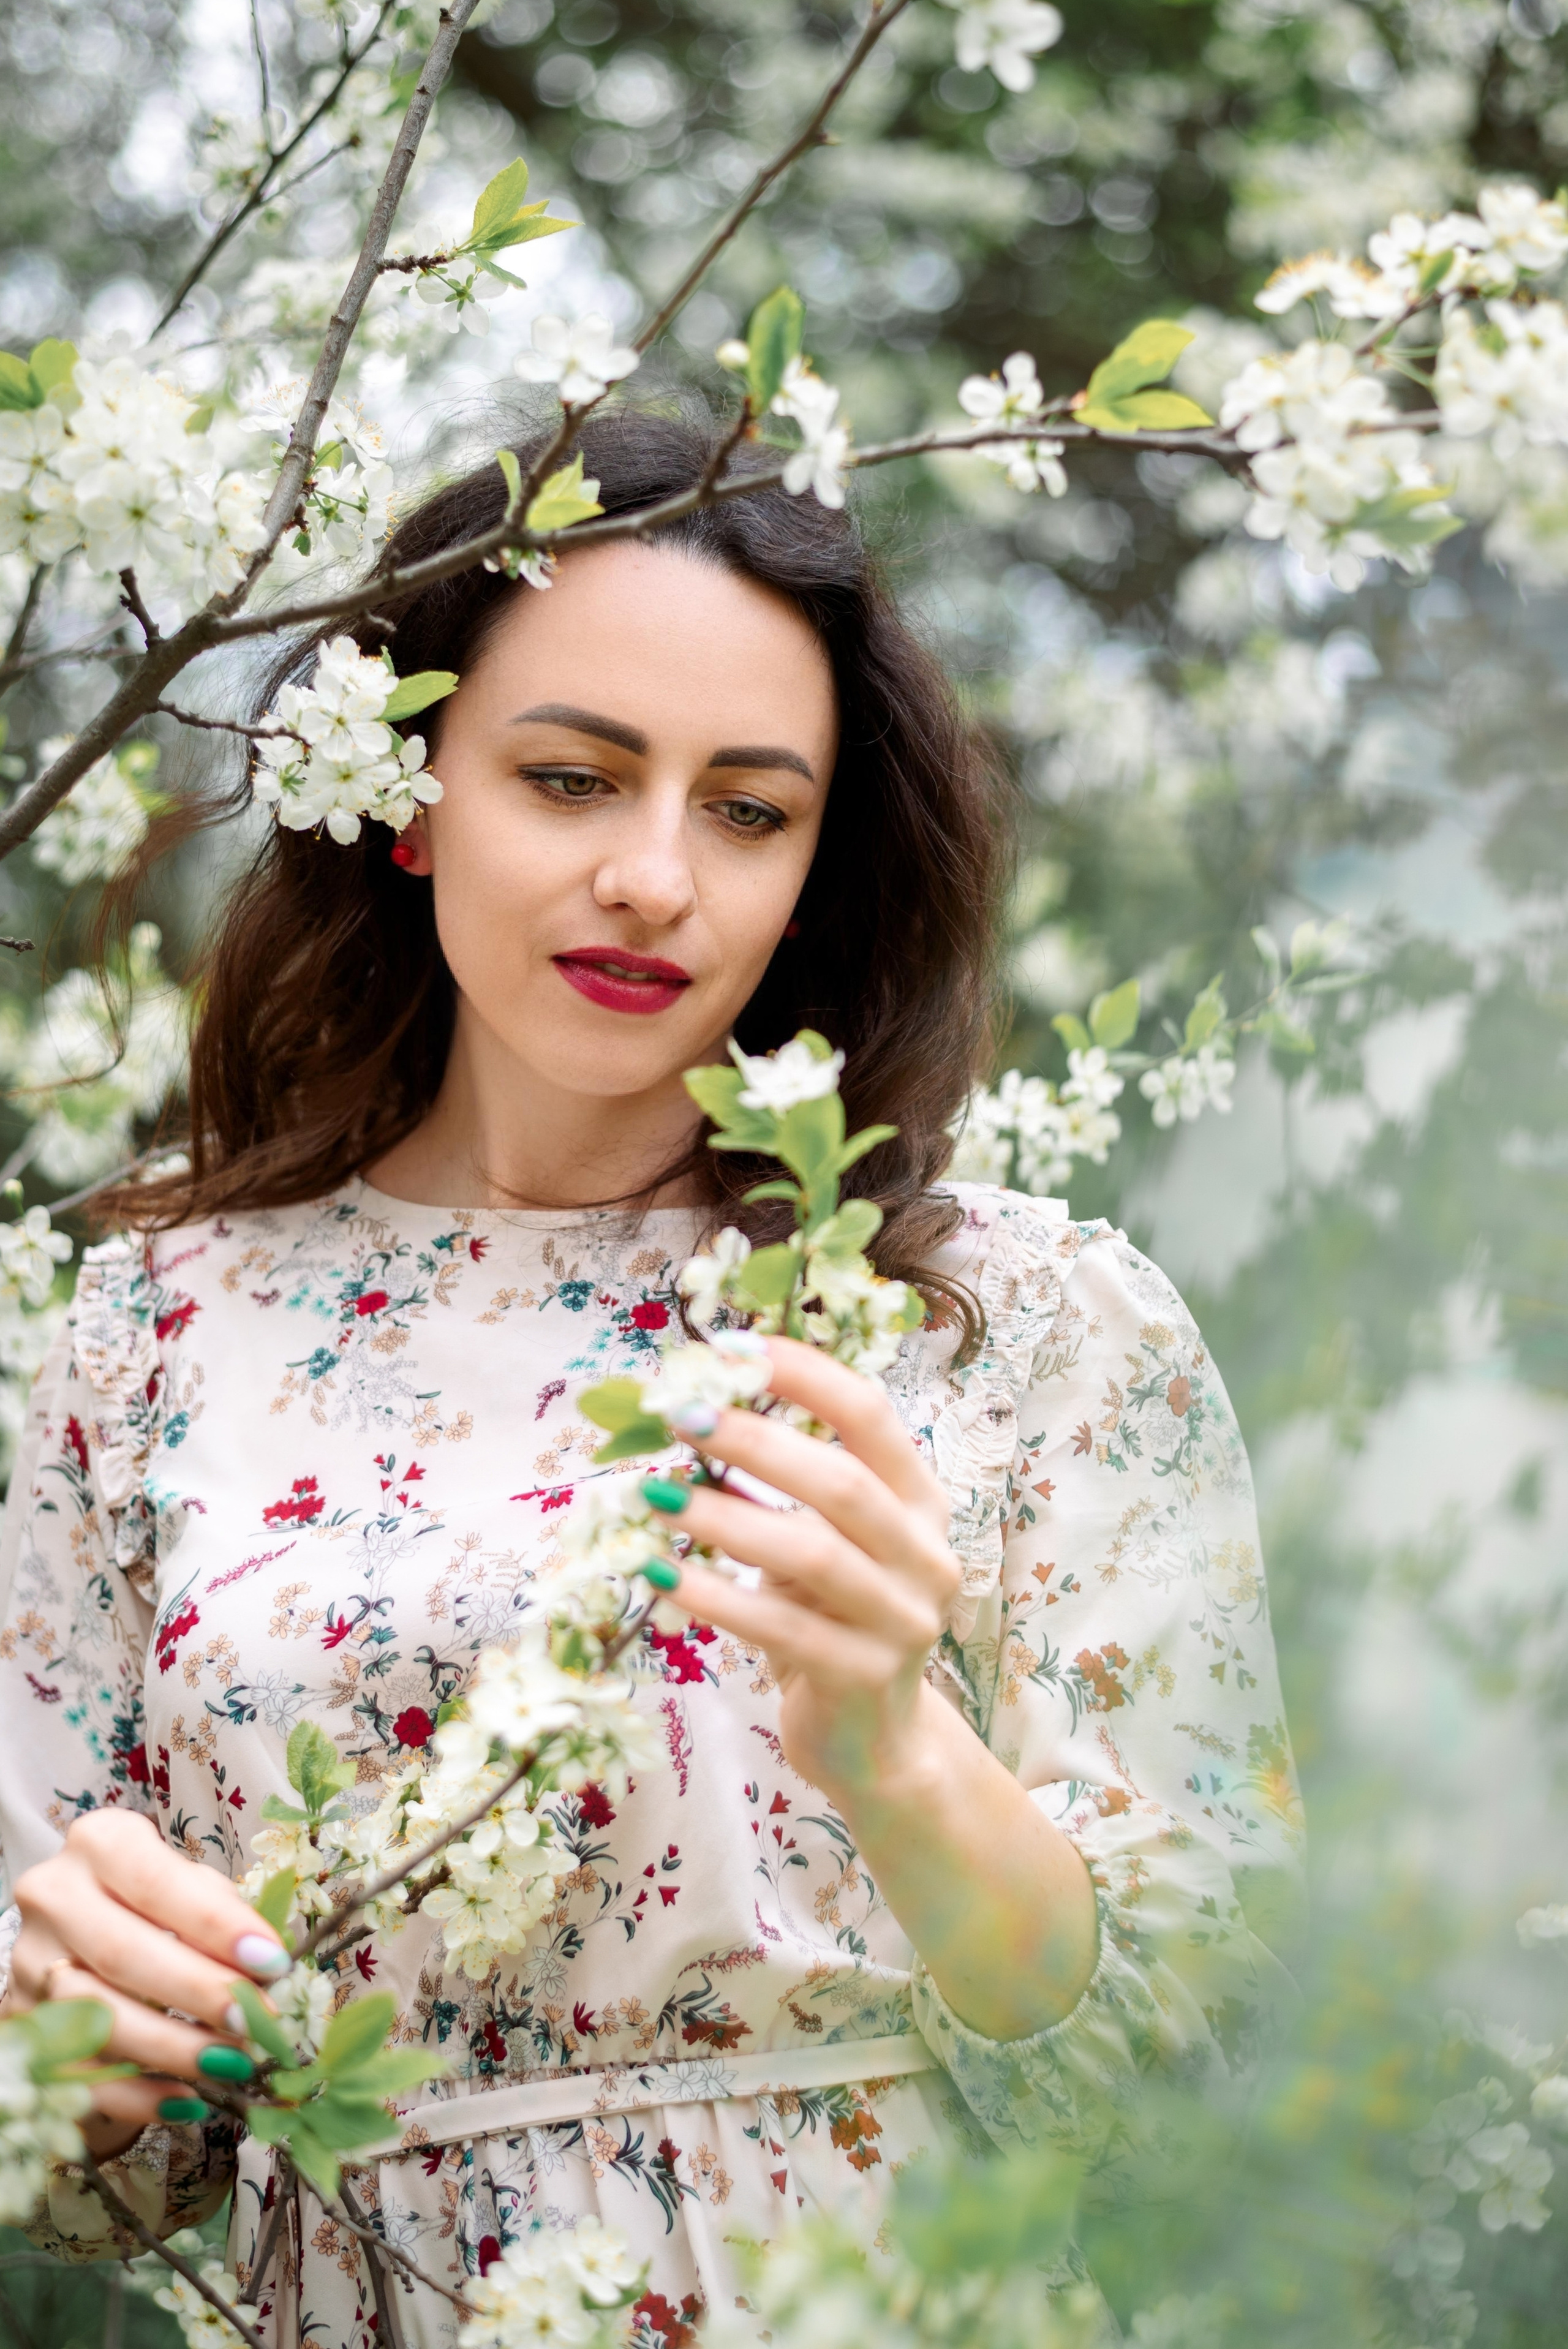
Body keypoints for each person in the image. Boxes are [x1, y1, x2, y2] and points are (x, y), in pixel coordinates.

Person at [0, 409, 1302, 2345]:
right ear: (411, 784)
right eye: (572, 776)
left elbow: (1210, 2057)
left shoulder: (1022, 1322)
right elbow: (102, 2174)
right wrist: (76, 2044)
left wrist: (896, 1754)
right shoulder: (147, 1339)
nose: (655, 877)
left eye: (749, 810)